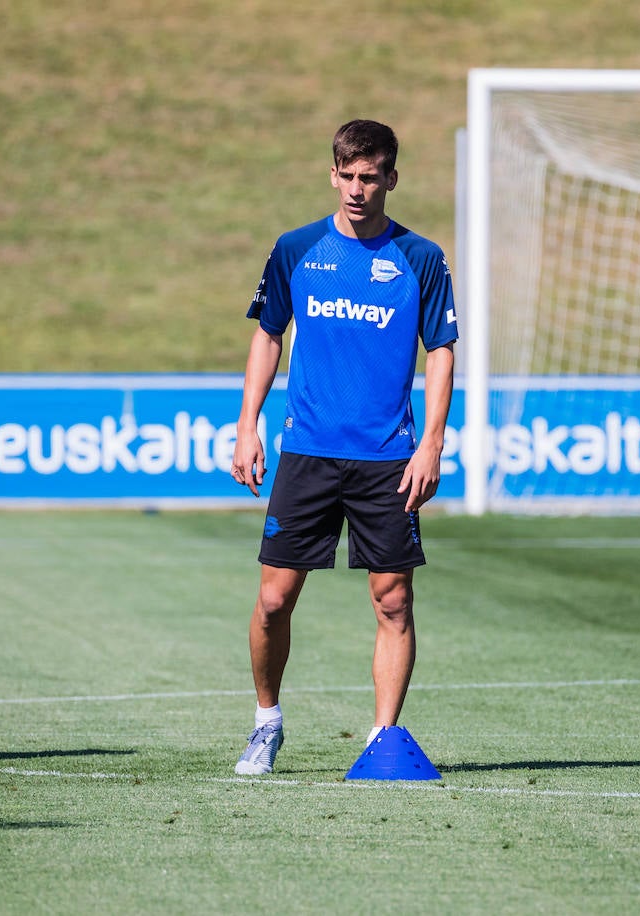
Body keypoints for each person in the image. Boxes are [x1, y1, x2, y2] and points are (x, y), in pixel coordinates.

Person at [229, 119, 457, 775]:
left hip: (389, 457)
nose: (358, 189)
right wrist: (248, 424)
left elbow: (440, 350)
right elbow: (268, 334)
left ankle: (383, 739)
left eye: (371, 176)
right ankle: (266, 723)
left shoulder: (420, 258)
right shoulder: (296, 248)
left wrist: (433, 443)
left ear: (391, 177)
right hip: (307, 453)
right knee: (274, 600)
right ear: (333, 175)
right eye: (347, 176)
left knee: (393, 600)